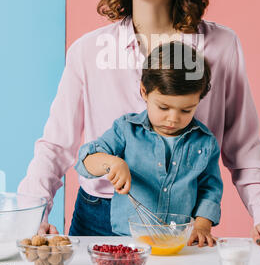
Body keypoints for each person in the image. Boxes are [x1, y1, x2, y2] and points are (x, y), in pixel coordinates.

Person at [18, 0, 260, 248]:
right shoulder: (88, 50)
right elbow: (55, 146)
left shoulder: (221, 47)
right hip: (99, 218)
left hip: (184, 223)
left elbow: (244, 149)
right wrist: (31, 218)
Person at [73, 41, 223, 247]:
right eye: (163, 107)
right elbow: (85, 161)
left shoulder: (205, 142)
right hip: (126, 240)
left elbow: (210, 189)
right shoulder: (126, 130)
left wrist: (202, 225)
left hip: (176, 241)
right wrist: (112, 163)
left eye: (186, 110)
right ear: (144, 92)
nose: (173, 119)